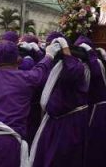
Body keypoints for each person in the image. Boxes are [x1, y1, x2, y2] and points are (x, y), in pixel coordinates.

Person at [29, 36, 90, 167]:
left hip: (69, 122)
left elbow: (73, 73)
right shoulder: (58, 64)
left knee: (61, 158)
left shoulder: (76, 65)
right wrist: (45, 56)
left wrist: (66, 50)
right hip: (55, 121)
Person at [74, 36, 106, 167]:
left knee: (96, 144)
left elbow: (96, 74)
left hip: (98, 109)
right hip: (89, 108)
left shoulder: (96, 62)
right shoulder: (82, 63)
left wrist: (90, 54)